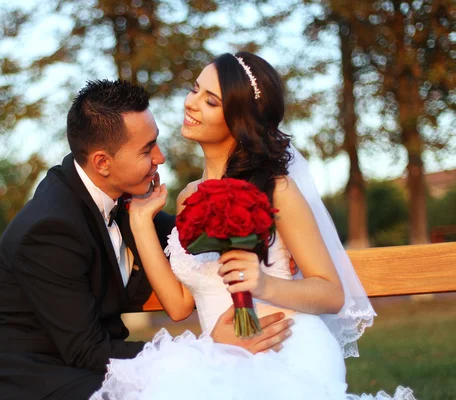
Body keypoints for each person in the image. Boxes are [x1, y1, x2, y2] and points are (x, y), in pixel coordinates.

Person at [91, 53, 415, 399]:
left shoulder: (277, 189)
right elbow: (181, 305)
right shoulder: (189, 199)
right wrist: (141, 222)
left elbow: (332, 293)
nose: (192, 103)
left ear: (239, 118)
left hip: (288, 347)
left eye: (210, 100)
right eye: (195, 89)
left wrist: (261, 282)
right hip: (221, 352)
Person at [0, 79, 295, 400]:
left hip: (92, 369)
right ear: (102, 162)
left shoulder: (127, 202)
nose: (161, 157)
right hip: (41, 380)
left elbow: (199, 238)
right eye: (146, 149)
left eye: (155, 141)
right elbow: (87, 351)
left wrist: (273, 242)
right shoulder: (50, 229)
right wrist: (205, 349)